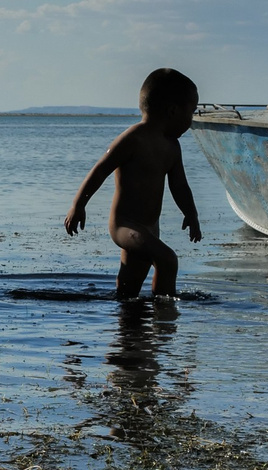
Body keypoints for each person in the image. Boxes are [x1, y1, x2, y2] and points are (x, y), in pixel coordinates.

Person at [64, 68, 204, 299]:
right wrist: (78, 205)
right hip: (125, 226)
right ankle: (164, 317)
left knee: (128, 291)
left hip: (150, 227)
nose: (191, 120)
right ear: (172, 111)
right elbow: (100, 170)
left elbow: (179, 186)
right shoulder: (133, 138)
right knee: (167, 260)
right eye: (191, 112)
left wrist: (192, 214)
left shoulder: (172, 147)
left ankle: (129, 328)